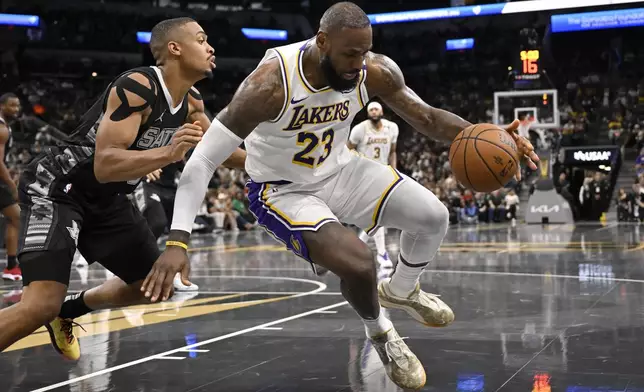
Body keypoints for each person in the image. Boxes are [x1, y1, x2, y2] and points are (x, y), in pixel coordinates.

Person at [146, 3, 538, 389]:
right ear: (322, 42)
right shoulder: (270, 84)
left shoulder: (374, 71)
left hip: (341, 169)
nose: (358, 63)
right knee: (360, 262)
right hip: (283, 190)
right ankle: (382, 334)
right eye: (350, 54)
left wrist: (492, 137)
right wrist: (179, 240)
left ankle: (401, 291)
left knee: (434, 216)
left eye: (364, 52)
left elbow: (430, 119)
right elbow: (200, 164)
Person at [0, 17, 246, 359]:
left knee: (155, 288)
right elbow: (105, 164)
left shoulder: (192, 102)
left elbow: (221, 151)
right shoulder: (137, 86)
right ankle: (52, 310)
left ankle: (68, 311)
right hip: (58, 186)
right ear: (174, 48)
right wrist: (170, 152)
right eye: (202, 40)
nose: (211, 47)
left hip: (108, 198)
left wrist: (280, 169)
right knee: (39, 304)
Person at [347, 101, 397, 270]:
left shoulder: (392, 128)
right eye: (371, 110)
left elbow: (393, 152)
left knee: (375, 218)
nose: (374, 111)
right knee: (378, 216)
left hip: (383, 174)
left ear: (382, 111)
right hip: (364, 176)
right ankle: (382, 254)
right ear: (368, 113)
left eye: (376, 109)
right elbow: (348, 151)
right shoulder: (359, 129)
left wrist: (394, 171)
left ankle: (357, 248)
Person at [0, 93, 22, 281]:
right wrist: (11, 185)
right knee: (16, 217)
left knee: (15, 218)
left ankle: (12, 265)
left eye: (17, 106)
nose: (16, 109)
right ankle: (11, 267)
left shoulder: (5, 127)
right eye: (12, 105)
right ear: (2, 106)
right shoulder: (1, 129)